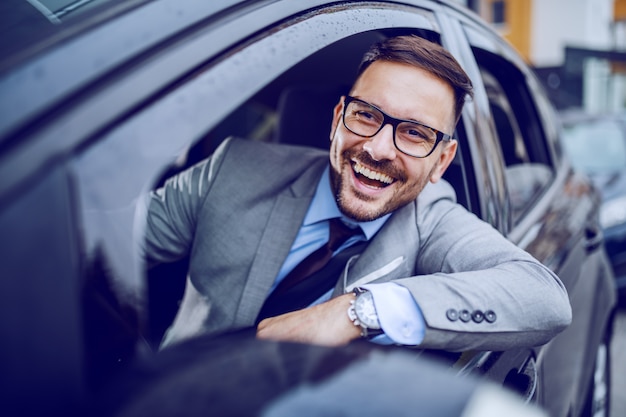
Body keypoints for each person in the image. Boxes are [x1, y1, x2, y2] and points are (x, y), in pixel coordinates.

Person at [144, 35, 571, 351]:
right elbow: (98, 247)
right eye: (366, 115)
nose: (377, 148)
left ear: (442, 162)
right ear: (337, 120)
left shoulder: (432, 220)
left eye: (414, 133)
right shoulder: (232, 169)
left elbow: (544, 298)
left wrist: (358, 312)